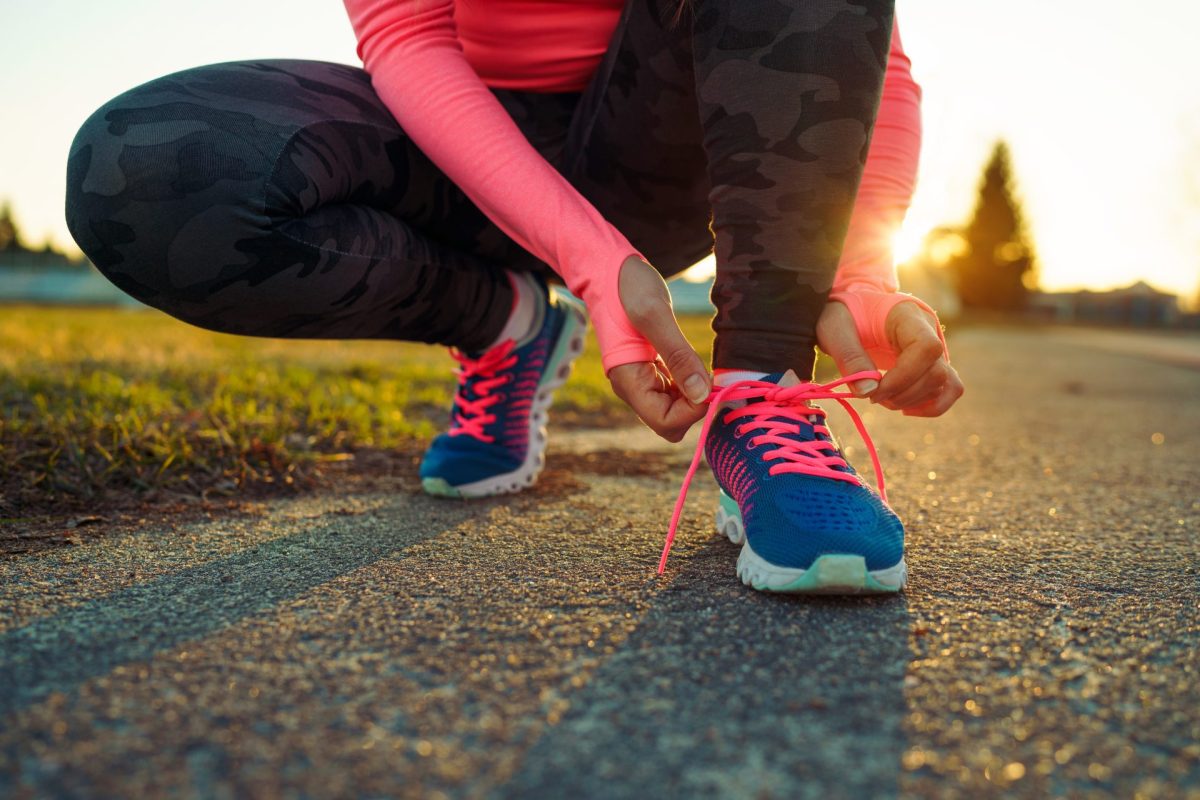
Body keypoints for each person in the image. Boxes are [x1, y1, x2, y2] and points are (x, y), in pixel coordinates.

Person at [65, 0, 961, 595]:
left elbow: (873, 52)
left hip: (663, 155)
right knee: (148, 173)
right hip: (463, 144)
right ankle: (504, 325)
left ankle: (760, 388)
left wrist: (855, 276)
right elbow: (407, 37)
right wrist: (586, 262)